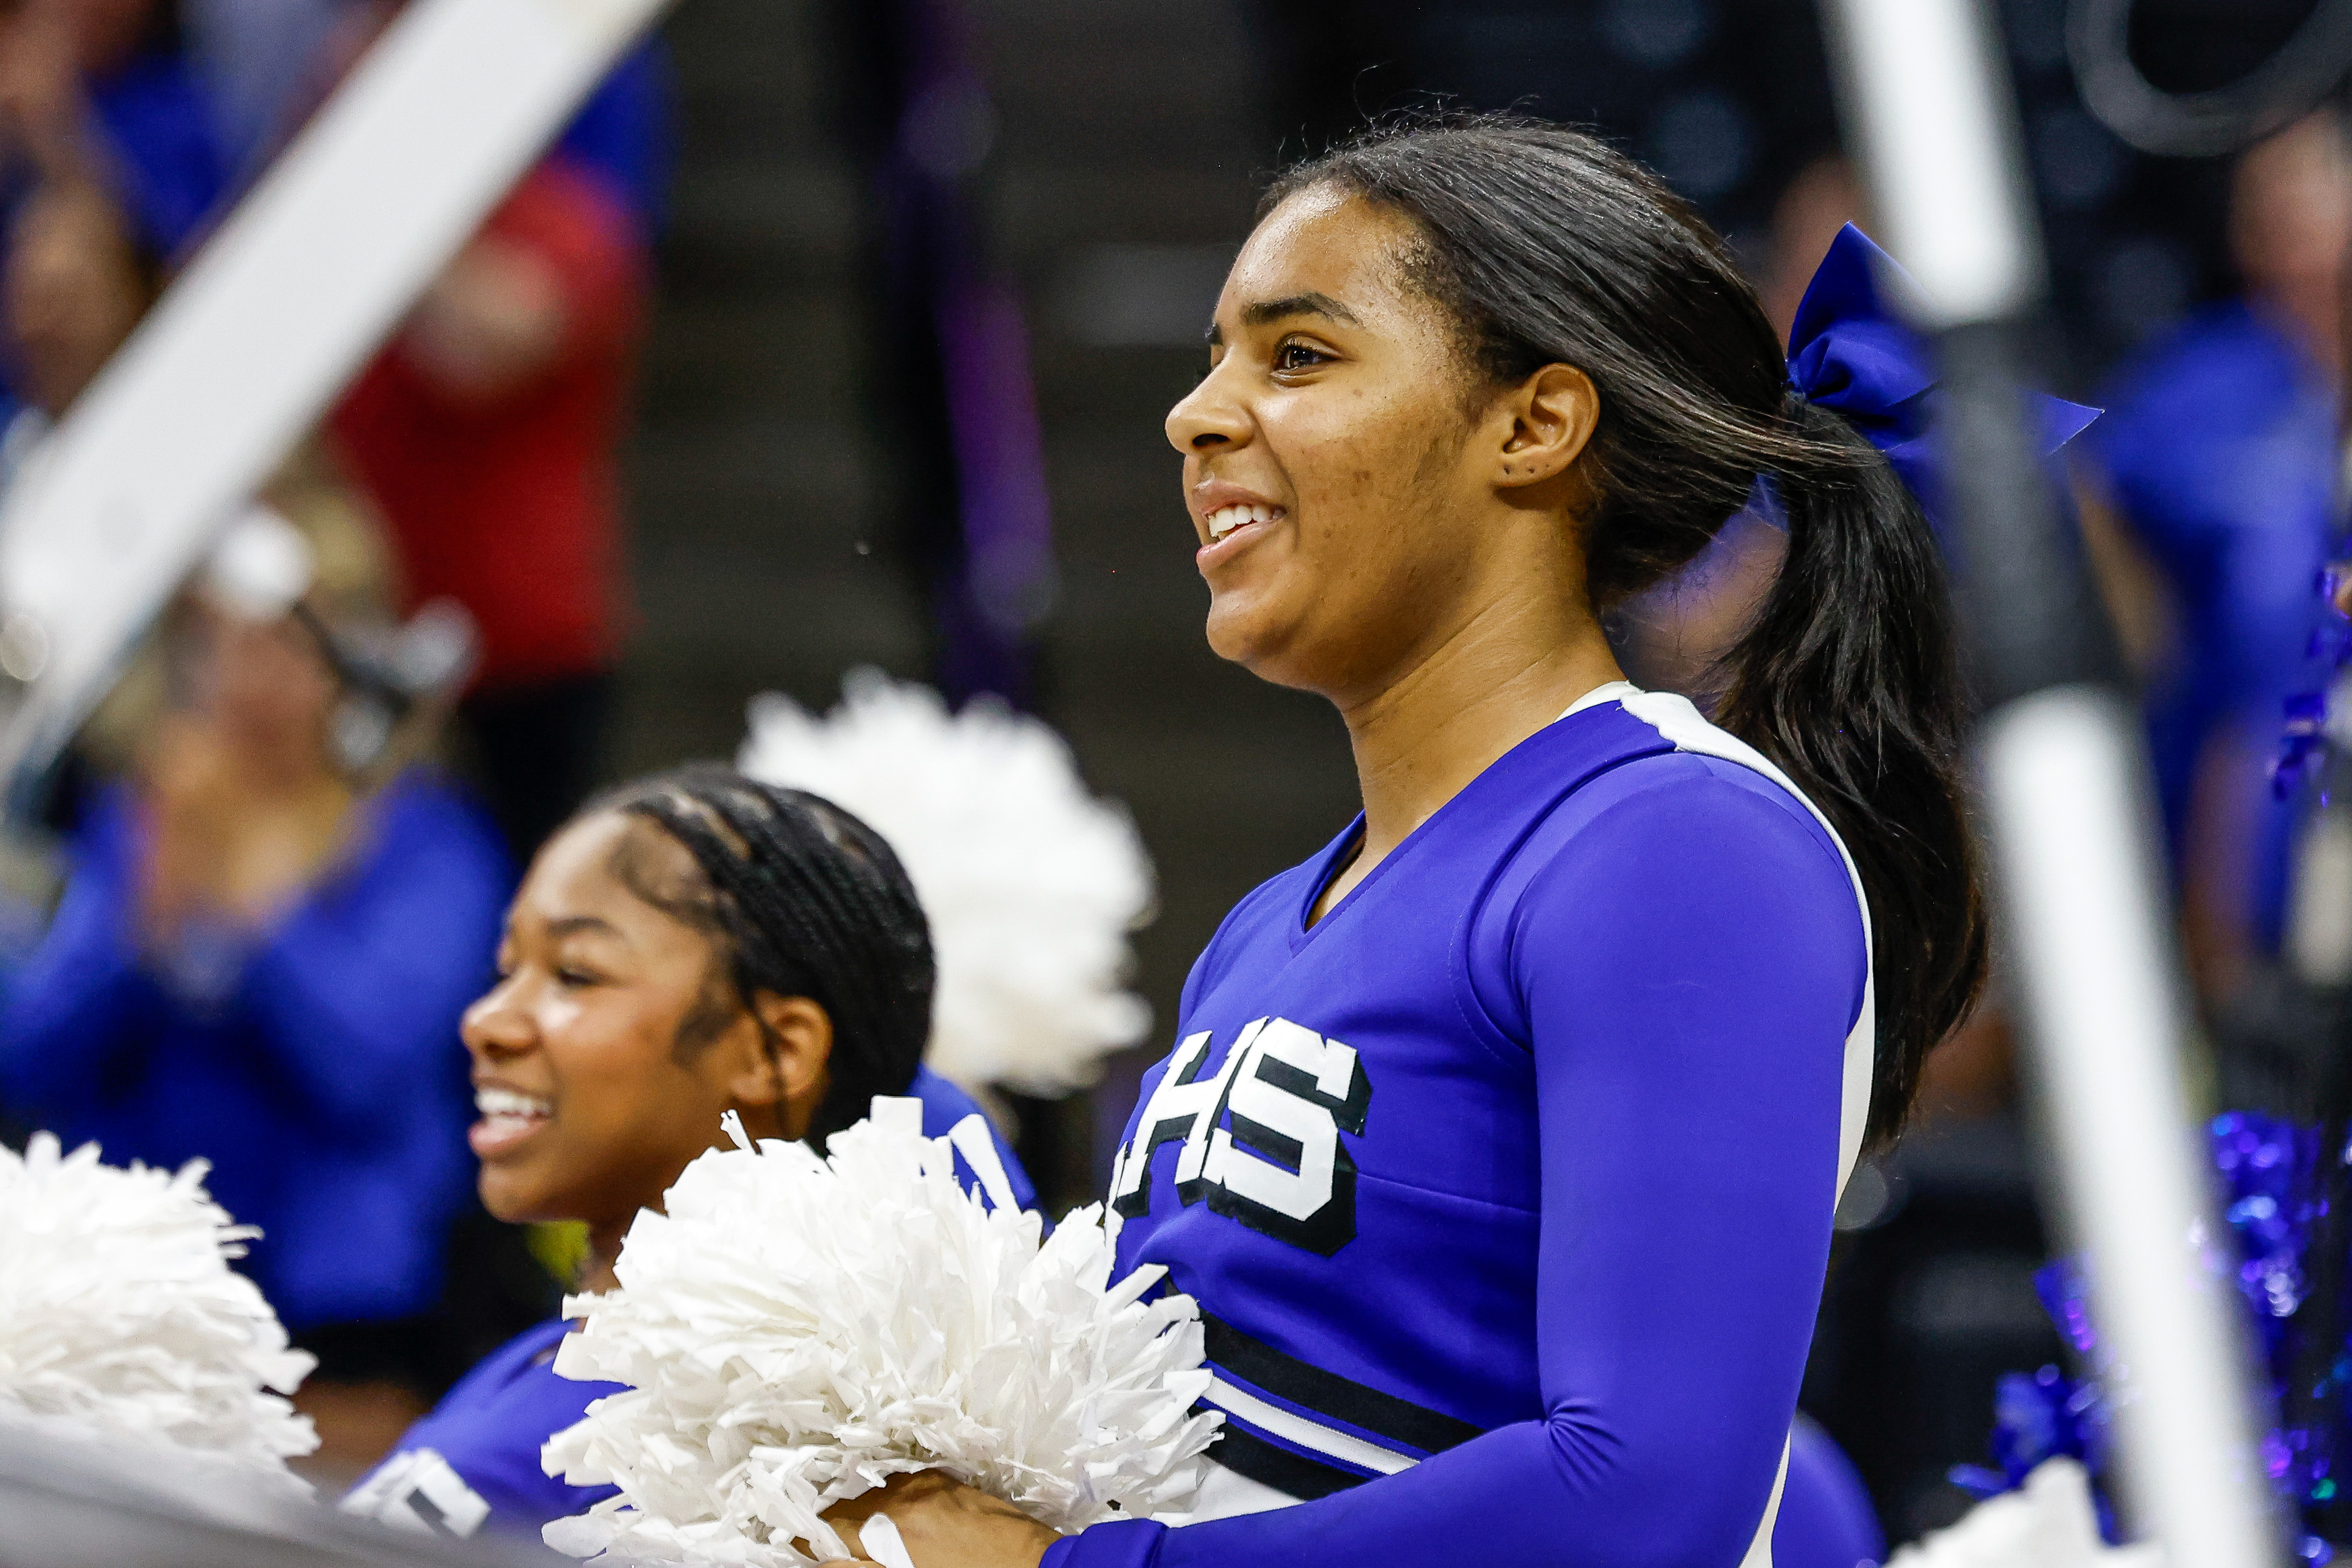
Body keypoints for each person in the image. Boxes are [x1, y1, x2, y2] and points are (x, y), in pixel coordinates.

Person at [810, 116, 1982, 1568]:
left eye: (1296, 356)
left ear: (1534, 425)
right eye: (1215, 354)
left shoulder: (1674, 845)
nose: (1196, 414)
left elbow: (1647, 1499)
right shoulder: (1263, 925)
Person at [342, 765, 1033, 1539]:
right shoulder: (553, 1353)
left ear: (778, 1047)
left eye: (575, 975)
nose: (488, 1023)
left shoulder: (762, 1453)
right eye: (509, 971)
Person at [0, 502, 512, 1472]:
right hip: (140, 1287)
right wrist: (132, 925)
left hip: (349, 1322)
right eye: (216, 642)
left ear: (352, 656)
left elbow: (367, 1065)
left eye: (280, 644)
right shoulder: (145, 819)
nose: (243, 676)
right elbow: (25, 1054)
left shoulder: (429, 842)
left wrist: (252, 910)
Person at [2083, 109, 2348, 1005]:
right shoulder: (2204, 383)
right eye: (2264, 218)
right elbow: (2100, 542)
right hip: (2229, 824)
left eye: (2309, 214)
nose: (2292, 251)